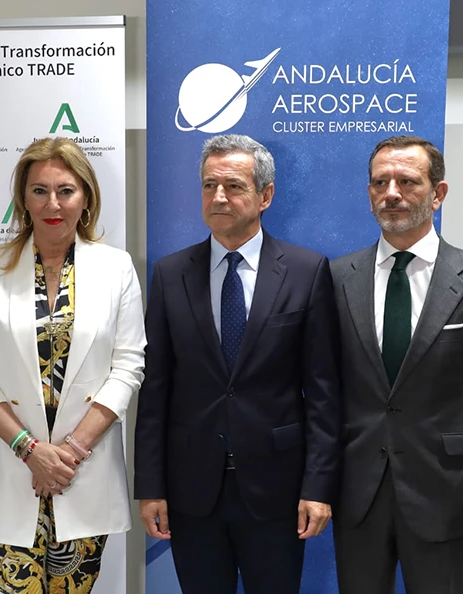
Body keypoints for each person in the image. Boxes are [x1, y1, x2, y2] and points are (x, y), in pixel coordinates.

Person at [133, 134, 340, 594]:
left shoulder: (307, 271)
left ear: (265, 196)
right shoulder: (170, 274)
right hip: (191, 492)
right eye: (209, 185)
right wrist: (150, 486)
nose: (218, 196)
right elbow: (156, 390)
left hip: (278, 491)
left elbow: (324, 393)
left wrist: (318, 486)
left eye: (233, 185)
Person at [0, 137, 146, 593]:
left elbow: (129, 366)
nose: (53, 203)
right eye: (39, 190)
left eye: (66, 190)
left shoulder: (116, 268)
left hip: (82, 472)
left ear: (86, 197)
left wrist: (69, 454)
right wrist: (29, 450)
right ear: (23, 198)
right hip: (10, 468)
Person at [329, 135, 463, 594]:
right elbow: (326, 383)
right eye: (380, 182)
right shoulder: (336, 279)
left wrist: (456, 440)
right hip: (358, 488)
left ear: (438, 193)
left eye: (407, 181)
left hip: (445, 486)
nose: (391, 192)